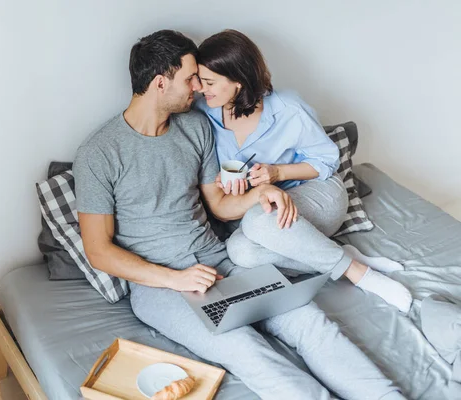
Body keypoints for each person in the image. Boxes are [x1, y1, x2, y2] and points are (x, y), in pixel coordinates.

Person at [74, 29, 405, 399]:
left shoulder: (195, 127)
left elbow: (218, 204)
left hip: (219, 260)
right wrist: (174, 278)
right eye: (190, 79)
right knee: (246, 349)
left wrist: (261, 192)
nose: (198, 88)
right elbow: (98, 250)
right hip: (159, 287)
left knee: (309, 322)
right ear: (160, 83)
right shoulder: (98, 153)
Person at [194, 29, 412, 314]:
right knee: (240, 252)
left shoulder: (288, 108)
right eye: (200, 80)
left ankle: (363, 276)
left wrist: (276, 173)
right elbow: (216, 172)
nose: (200, 88)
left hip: (318, 193)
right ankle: (340, 257)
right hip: (265, 208)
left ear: (237, 82)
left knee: (258, 222)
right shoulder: (204, 113)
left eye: (209, 82)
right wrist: (223, 181)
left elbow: (326, 161)